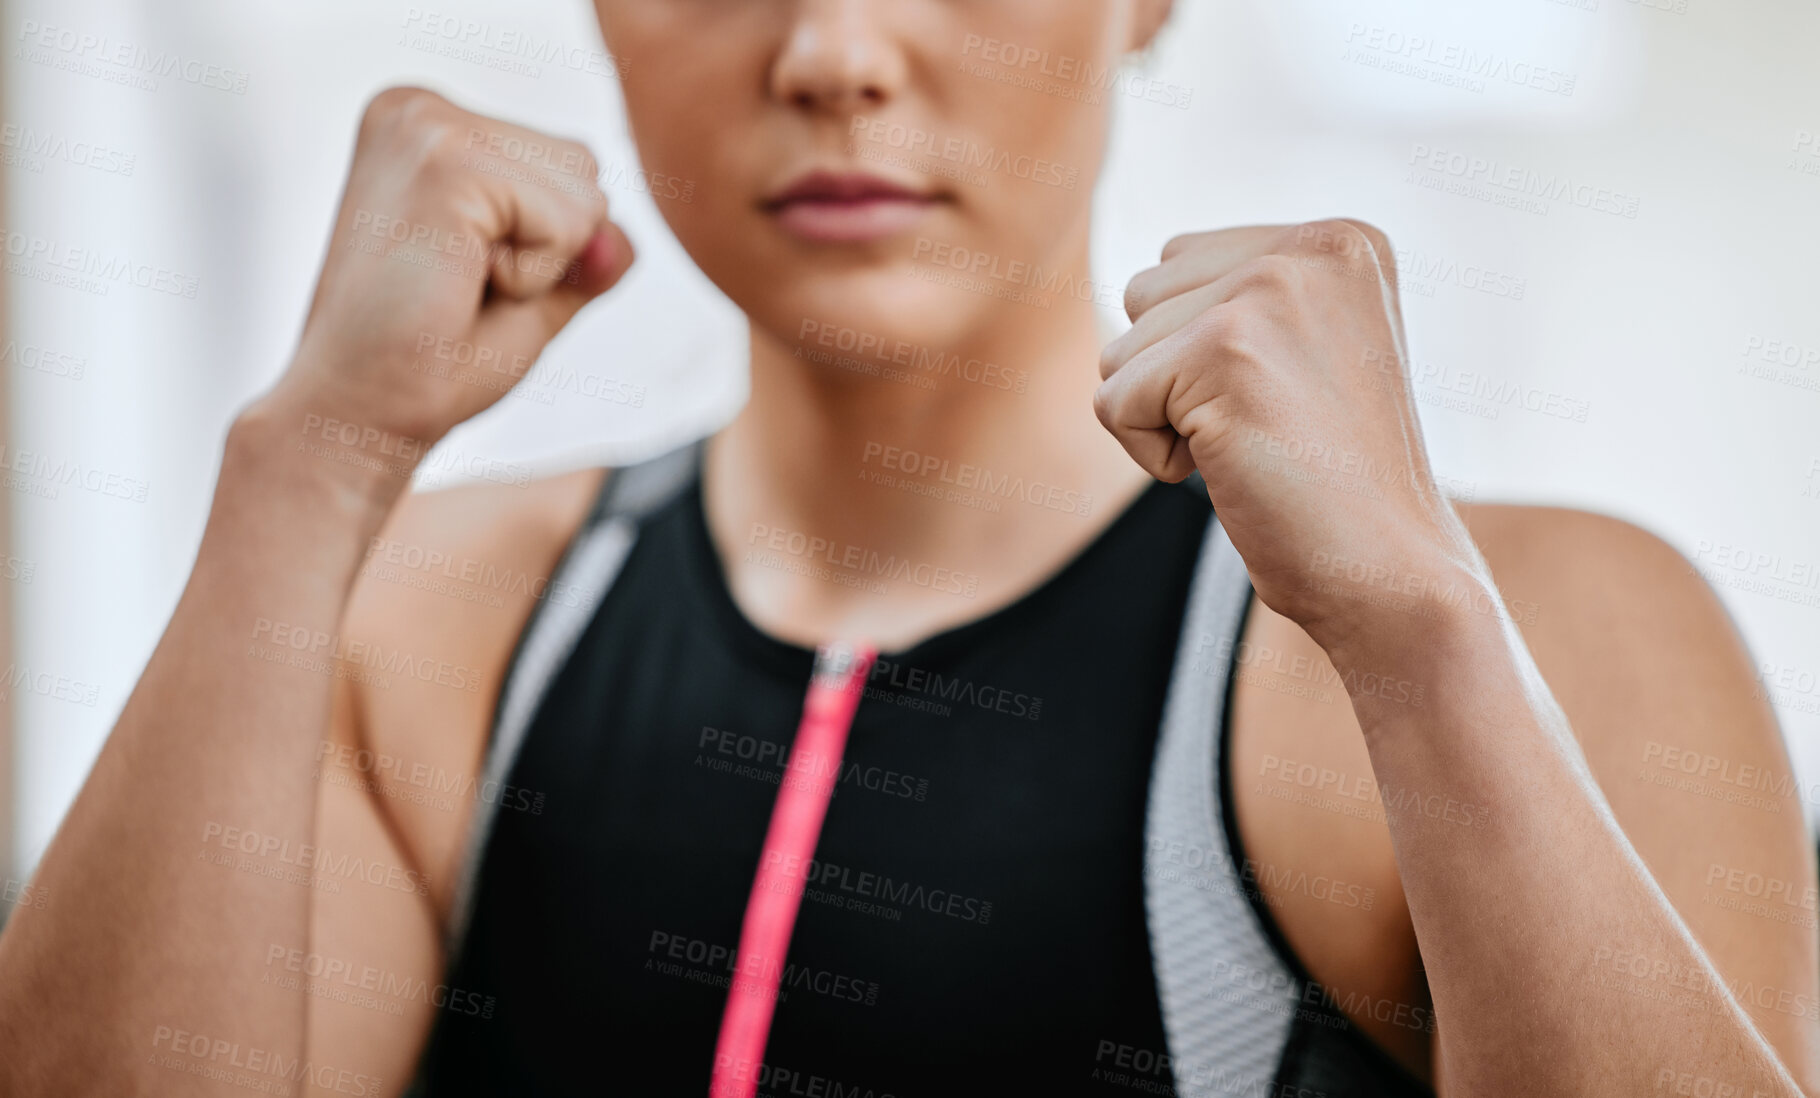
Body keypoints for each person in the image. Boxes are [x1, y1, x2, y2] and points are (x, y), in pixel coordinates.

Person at [1, 2, 1814, 1095]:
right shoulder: (425, 621)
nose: (836, 53)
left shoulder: (1556, 626)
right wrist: (306, 464)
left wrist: (1424, 636)